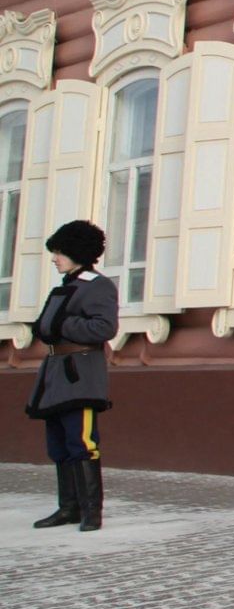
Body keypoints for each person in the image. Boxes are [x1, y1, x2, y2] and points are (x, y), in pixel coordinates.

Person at [25, 221, 117, 533]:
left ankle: (92, 511)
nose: (55, 258)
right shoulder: (66, 285)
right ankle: (69, 507)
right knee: (59, 444)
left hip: (80, 375)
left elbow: (103, 329)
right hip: (55, 375)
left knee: (83, 442)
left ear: (77, 252)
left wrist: (62, 324)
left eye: (60, 252)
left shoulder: (98, 285)